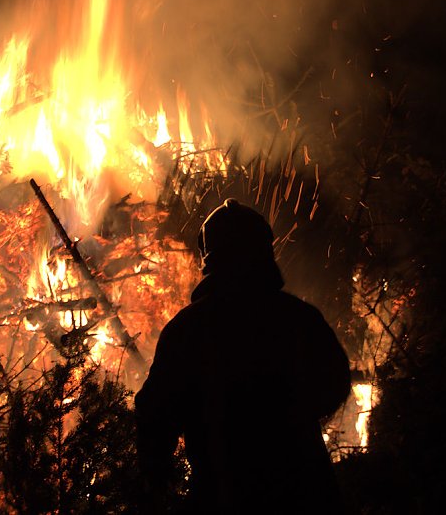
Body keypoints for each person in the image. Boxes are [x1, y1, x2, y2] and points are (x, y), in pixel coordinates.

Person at [135, 198, 352, 514]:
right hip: (304, 491)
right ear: (264, 251)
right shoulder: (298, 317)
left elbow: (155, 413)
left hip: (223, 490)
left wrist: (157, 479)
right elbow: (334, 384)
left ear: (209, 259)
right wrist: (290, 415)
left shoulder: (187, 328)